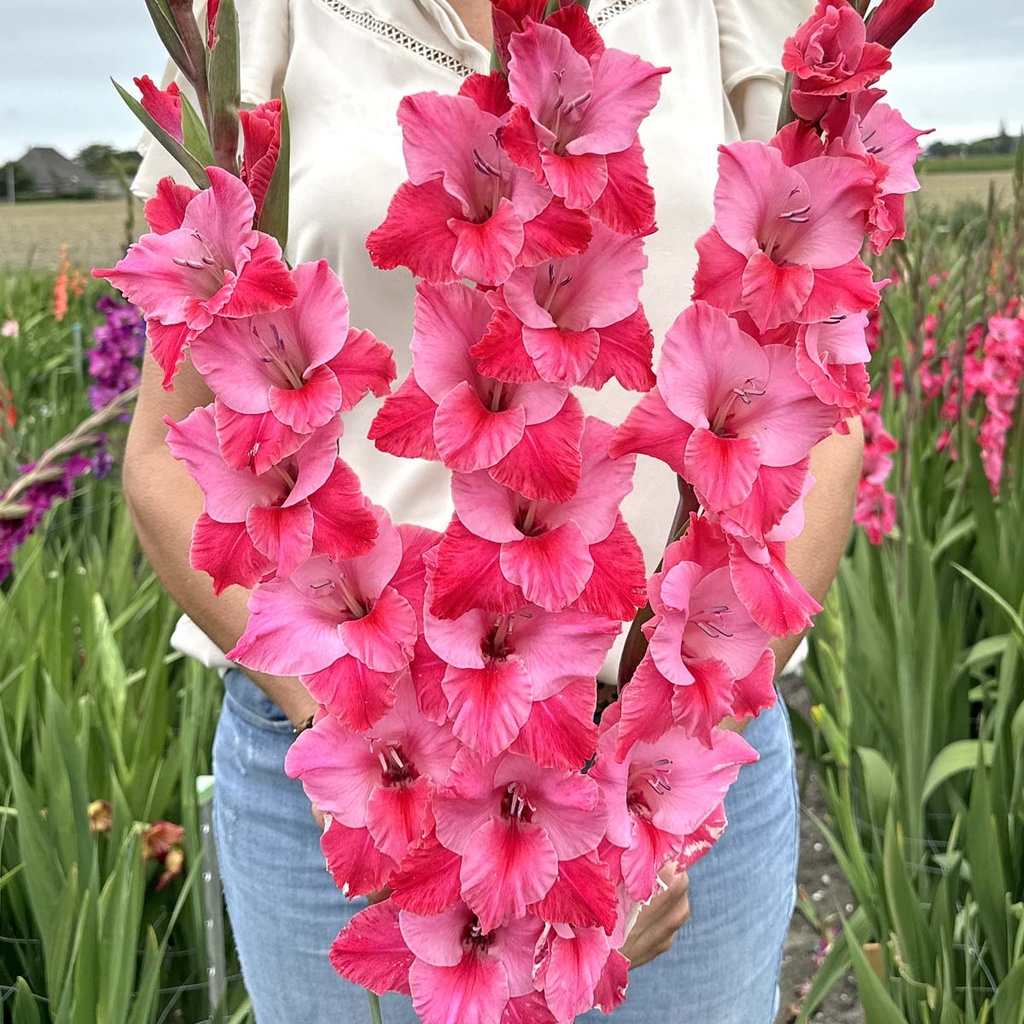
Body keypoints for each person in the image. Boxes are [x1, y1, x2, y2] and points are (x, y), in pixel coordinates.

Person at [125, 1, 864, 1020]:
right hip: (336, 746)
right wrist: (373, 763)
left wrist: (655, 755)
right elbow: (169, 452)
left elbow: (818, 409)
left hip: (659, 758)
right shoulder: (249, 16)